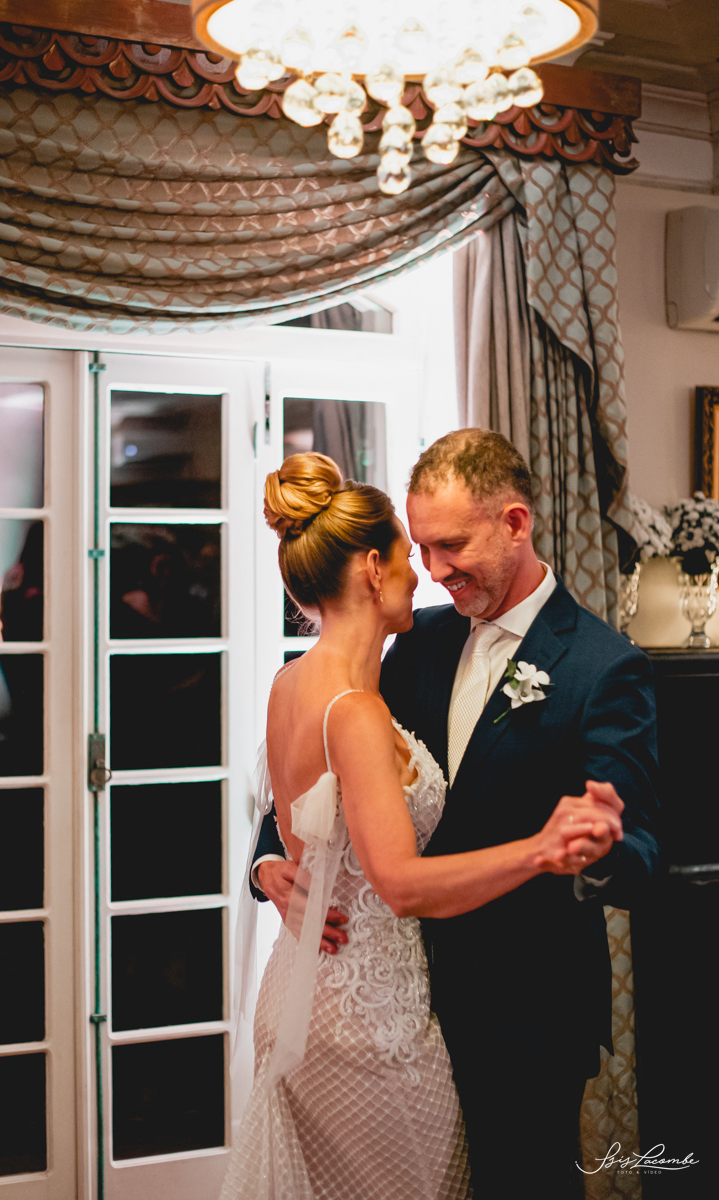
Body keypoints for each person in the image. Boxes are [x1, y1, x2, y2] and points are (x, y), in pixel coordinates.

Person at [225, 448, 627, 1200]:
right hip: (380, 1011)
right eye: (421, 549)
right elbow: (322, 779)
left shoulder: (601, 667)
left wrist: (593, 848)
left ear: (515, 524)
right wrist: (270, 864)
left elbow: (639, 846)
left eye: (450, 546)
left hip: (518, 1014)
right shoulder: (413, 642)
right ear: (374, 566)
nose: (435, 571)